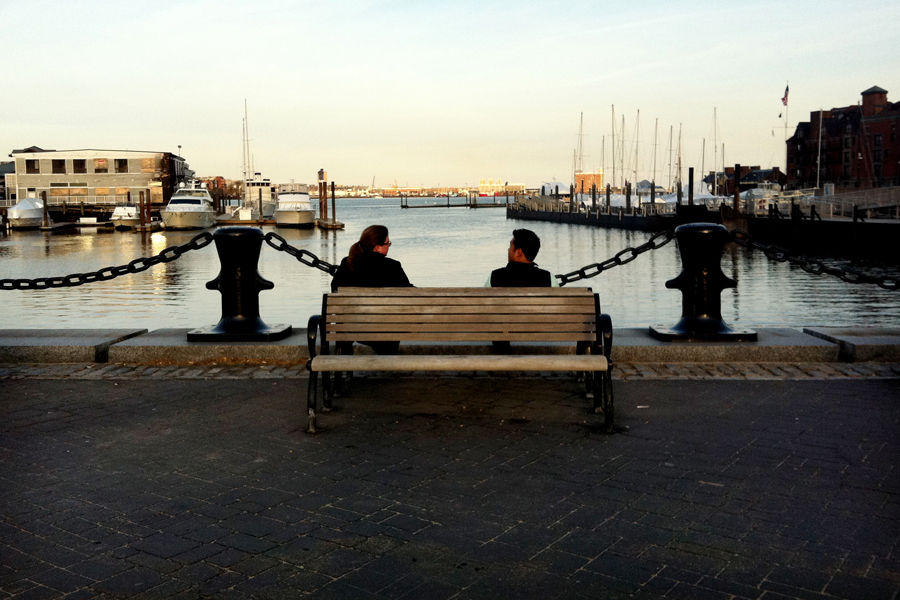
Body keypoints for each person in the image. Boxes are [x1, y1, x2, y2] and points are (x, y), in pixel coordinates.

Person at [331, 225, 412, 354]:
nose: (389, 246)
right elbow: (410, 294)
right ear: (377, 247)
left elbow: (335, 290)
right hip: (385, 329)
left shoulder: (347, 263)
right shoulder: (392, 266)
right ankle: (388, 353)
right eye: (388, 243)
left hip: (352, 328)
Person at [485, 228, 557, 287]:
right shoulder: (548, 278)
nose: (508, 249)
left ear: (519, 252)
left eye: (510, 246)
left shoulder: (495, 277)